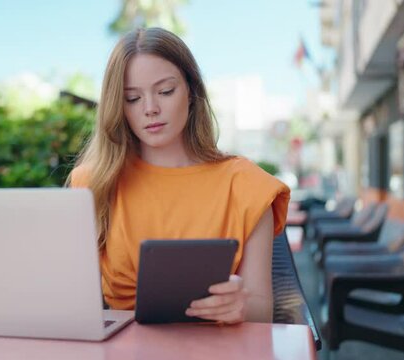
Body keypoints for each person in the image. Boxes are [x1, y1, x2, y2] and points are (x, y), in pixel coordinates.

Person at [68, 27, 290, 324]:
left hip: (219, 347)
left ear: (192, 92)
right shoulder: (91, 184)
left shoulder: (246, 185)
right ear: (117, 107)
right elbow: (72, 304)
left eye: (165, 91)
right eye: (132, 98)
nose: (150, 109)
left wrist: (239, 305)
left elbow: (262, 310)